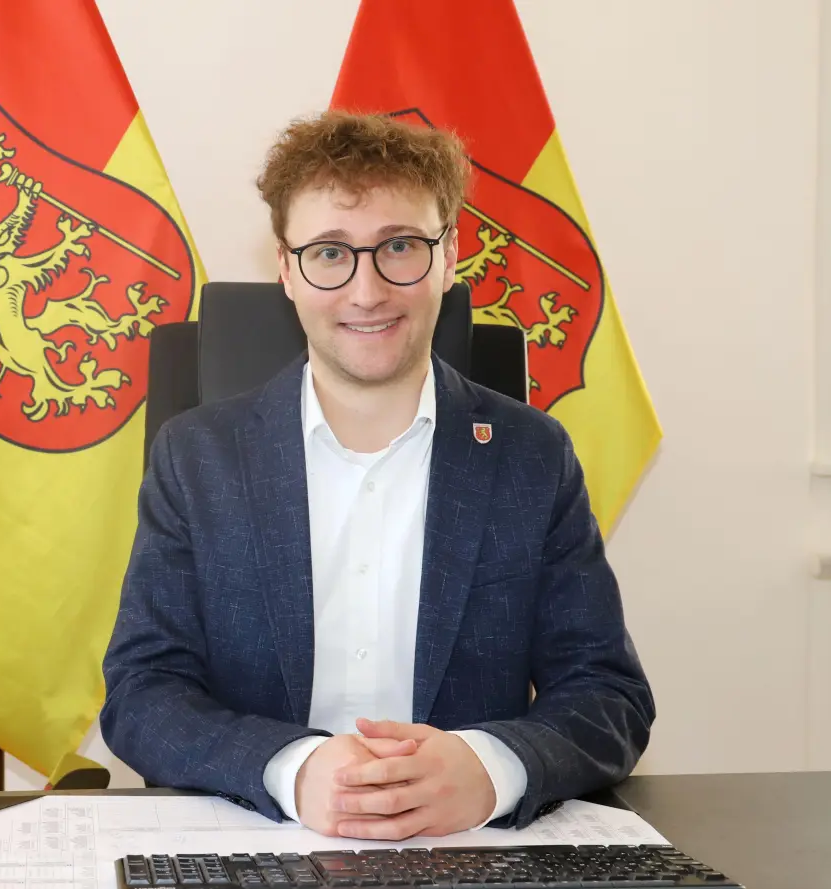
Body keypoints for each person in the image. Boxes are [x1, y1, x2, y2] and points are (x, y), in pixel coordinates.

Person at [98, 110, 654, 842]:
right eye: (330, 252)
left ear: (449, 257)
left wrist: (489, 768)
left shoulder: (530, 455)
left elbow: (607, 695)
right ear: (287, 268)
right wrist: (291, 770)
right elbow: (142, 693)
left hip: (465, 852)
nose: (367, 291)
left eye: (399, 247)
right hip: (256, 842)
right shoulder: (196, 456)